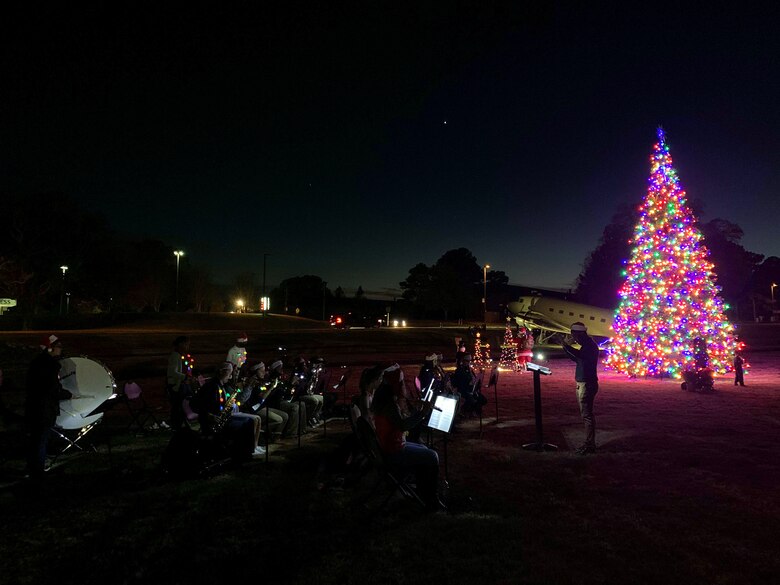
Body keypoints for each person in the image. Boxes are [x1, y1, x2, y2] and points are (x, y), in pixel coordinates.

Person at [370, 365, 442, 512]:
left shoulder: (385, 401)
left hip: (389, 446)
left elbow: (399, 422)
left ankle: (422, 491)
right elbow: (403, 425)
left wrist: (417, 409)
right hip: (393, 451)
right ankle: (431, 498)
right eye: (401, 382)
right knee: (432, 455)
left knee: (424, 449)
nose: (403, 385)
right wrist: (423, 413)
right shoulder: (389, 405)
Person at [24, 334, 72, 480]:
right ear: (50, 348)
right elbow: (52, 388)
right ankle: (38, 472)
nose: (60, 350)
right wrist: (67, 394)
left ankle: (32, 469)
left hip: (33, 407)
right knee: (41, 440)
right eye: (59, 347)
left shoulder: (36, 362)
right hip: (44, 409)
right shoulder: (50, 365)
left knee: (35, 440)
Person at [195, 362, 260, 459]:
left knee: (249, 421)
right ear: (222, 372)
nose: (231, 375)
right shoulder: (211, 386)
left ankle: (246, 452)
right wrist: (209, 415)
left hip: (221, 420)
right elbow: (194, 404)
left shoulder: (221, 385)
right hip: (211, 423)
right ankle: (243, 454)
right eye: (230, 372)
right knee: (247, 423)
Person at [561, 322, 599, 455]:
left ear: (579, 334)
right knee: (586, 415)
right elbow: (577, 359)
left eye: (575, 336)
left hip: (587, 383)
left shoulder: (589, 346)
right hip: (584, 382)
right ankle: (589, 443)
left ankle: (590, 445)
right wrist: (565, 347)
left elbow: (579, 356)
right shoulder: (587, 345)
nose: (575, 340)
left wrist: (566, 345)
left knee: (587, 415)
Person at [241, 362, 289, 440]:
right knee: (279, 419)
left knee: (285, 416)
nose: (264, 372)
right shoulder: (252, 382)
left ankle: (275, 437)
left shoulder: (261, 381)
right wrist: (271, 387)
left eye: (264, 370)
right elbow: (262, 398)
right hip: (255, 408)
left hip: (263, 406)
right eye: (261, 371)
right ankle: (260, 434)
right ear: (255, 372)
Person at [166, 336, 193, 429]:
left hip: (180, 384)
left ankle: (180, 424)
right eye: (186, 344)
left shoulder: (181, 355)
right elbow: (172, 372)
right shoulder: (175, 356)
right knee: (177, 406)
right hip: (176, 386)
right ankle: (176, 425)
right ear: (181, 344)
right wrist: (185, 376)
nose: (187, 347)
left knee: (180, 405)